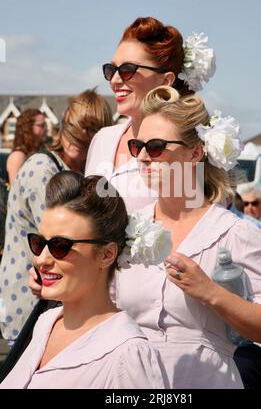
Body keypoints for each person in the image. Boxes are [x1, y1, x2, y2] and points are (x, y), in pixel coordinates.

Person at [113, 86, 261, 389]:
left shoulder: (237, 232)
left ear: (195, 152)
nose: (142, 157)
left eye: (155, 146)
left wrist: (211, 292)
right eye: (137, 146)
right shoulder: (128, 228)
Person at [0, 171, 165, 389]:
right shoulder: (45, 323)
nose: (42, 259)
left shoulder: (127, 355)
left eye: (60, 246)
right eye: (39, 243)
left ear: (106, 255)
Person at [0, 89, 113, 343]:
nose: (79, 138)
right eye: (75, 128)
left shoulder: (79, 171)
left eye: (91, 131)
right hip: (30, 304)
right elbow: (61, 238)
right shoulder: (43, 168)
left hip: (56, 303)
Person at [85, 16, 216, 210]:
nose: (114, 80)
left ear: (166, 80)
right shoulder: (102, 139)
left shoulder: (185, 148)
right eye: (111, 70)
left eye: (128, 69)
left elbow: (200, 226)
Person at [6, 109, 48, 185]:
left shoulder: (41, 151)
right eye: (41, 125)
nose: (46, 129)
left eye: (45, 124)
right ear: (27, 128)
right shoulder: (18, 156)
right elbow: (16, 191)